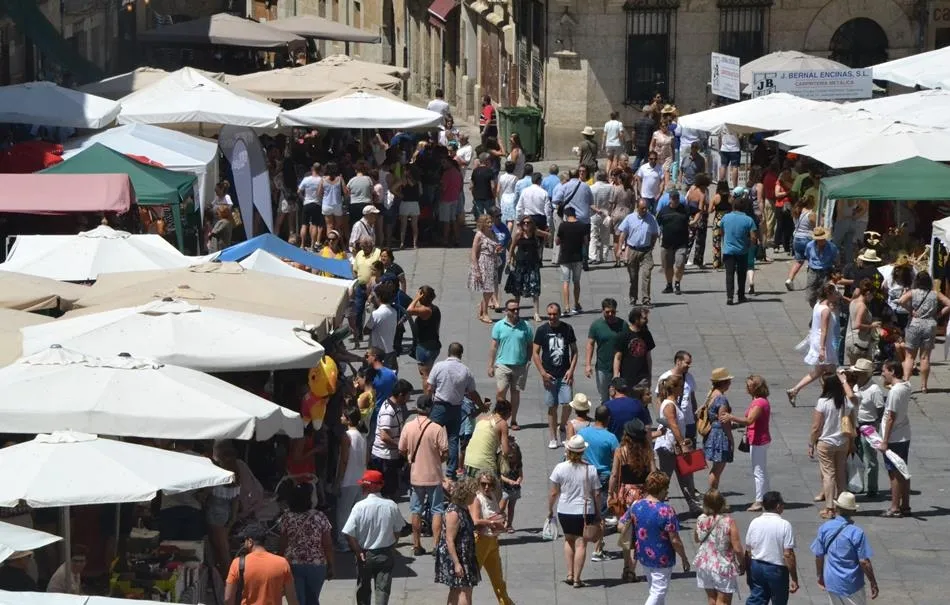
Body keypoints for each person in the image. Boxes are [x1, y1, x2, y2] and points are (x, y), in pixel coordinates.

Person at [620, 471, 690, 604]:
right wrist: (684, 557)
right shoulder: (666, 510)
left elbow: (621, 524)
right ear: (662, 489)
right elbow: (674, 539)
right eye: (666, 489)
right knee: (658, 591)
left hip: (643, 554)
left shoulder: (637, 505)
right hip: (662, 557)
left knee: (654, 589)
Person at [342, 470, 406, 605]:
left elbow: (348, 532)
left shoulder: (359, 507)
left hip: (365, 554)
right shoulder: (391, 505)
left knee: (363, 589)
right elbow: (398, 530)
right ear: (380, 486)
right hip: (385, 552)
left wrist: (358, 551)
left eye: (364, 486)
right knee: (382, 589)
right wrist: (392, 546)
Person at [398, 394, 448, 556]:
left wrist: (410, 457)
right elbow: (445, 452)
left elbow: (401, 449)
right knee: (437, 510)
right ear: (430, 409)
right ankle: (435, 545)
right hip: (434, 475)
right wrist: (437, 460)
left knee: (416, 510)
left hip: (416, 476)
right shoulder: (437, 429)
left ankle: (416, 544)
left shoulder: (408, 427)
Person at [548, 435, 601, 589]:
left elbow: (554, 492)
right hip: (584, 511)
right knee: (581, 544)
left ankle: (570, 574)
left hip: (564, 510)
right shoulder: (590, 469)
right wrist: (598, 512)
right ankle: (577, 579)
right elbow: (596, 493)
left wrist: (550, 510)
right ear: (582, 451)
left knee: (568, 540)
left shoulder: (560, 467)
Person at [810, 492, 879, 604]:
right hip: (852, 583)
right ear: (853, 511)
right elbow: (864, 562)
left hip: (831, 580)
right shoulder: (857, 532)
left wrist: (820, 575)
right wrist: (873, 582)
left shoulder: (824, 528)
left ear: (836, 508)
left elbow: (819, 555)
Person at [428, 343, 485, 479]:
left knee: (430, 436)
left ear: (448, 352)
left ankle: (429, 466)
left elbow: (430, 387)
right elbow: (472, 393)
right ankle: (450, 472)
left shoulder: (439, 366)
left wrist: (428, 403)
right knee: (453, 439)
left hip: (439, 407)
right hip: (455, 409)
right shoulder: (465, 370)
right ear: (461, 354)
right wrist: (481, 406)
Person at [608, 419, 653, 582]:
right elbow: (653, 474)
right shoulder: (647, 452)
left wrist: (610, 493)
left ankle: (626, 566)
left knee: (626, 532)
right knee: (638, 535)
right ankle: (632, 570)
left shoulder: (620, 452)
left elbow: (614, 475)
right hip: (643, 494)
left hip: (625, 494)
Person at [809, 372, 856, 520]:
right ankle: (842, 505)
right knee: (840, 474)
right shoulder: (846, 402)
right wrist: (852, 443)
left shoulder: (823, 402)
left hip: (826, 442)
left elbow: (816, 427)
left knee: (828, 475)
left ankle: (829, 508)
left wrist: (811, 443)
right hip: (843, 442)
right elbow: (850, 424)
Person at [722, 375, 772, 511]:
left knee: (758, 472)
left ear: (756, 387)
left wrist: (731, 417)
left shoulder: (759, 403)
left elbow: (749, 420)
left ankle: (759, 501)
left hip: (758, 440)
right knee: (762, 470)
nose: (747, 388)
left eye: (749, 385)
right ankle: (766, 496)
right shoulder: (758, 400)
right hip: (758, 439)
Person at [532, 302, 579, 449]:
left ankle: (563, 425)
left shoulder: (567, 329)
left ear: (559, 314)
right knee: (552, 406)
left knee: (567, 403)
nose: (552, 317)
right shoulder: (542, 330)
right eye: (550, 314)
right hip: (549, 375)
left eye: (555, 314)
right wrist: (543, 373)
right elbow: (535, 353)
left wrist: (571, 370)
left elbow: (575, 351)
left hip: (564, 373)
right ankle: (552, 437)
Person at [279, 484, 335, 605]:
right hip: (317, 564)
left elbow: (282, 543)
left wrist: (280, 561)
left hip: (292, 563)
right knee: (313, 599)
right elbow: (328, 544)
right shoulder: (320, 516)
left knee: (297, 600)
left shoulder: (287, 517)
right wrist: (330, 565)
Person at [654, 374, 701, 514]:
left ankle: (693, 505)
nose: (683, 389)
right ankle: (656, 505)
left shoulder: (673, 403)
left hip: (675, 446)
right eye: (681, 386)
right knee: (664, 479)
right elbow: (674, 425)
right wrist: (682, 443)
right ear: (674, 388)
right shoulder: (669, 405)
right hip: (669, 447)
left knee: (684, 475)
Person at [787, 283, 841, 407]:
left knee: (818, 372)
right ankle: (829, 398)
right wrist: (822, 349)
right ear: (829, 294)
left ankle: (794, 390)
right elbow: (824, 330)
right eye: (835, 293)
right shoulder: (826, 310)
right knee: (831, 372)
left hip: (817, 340)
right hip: (824, 343)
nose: (837, 296)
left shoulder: (818, 304)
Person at [578, 405, 619, 561]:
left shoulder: (582, 433)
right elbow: (616, 462)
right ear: (608, 419)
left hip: (585, 473)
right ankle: (598, 549)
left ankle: (582, 541)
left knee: (585, 508)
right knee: (600, 514)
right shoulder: (611, 438)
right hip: (603, 476)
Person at [899, 271, 950, 393]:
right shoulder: (935, 293)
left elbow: (901, 301)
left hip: (915, 323)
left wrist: (910, 310)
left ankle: (905, 382)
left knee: (910, 356)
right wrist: (938, 314)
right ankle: (924, 386)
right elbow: (949, 303)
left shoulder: (913, 292)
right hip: (930, 324)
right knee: (925, 357)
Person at [744, 491, 799, 605]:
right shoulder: (784, 525)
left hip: (757, 566)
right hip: (776, 569)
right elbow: (788, 554)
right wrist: (794, 578)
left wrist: (748, 571)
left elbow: (748, 550)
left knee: (757, 599)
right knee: (779, 600)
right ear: (778, 506)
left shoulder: (755, 522)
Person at [468, 472, 514, 605]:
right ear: (479, 484)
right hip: (481, 542)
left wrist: (502, 519)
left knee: (498, 580)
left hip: (492, 541)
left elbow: (496, 513)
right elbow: (475, 521)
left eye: (490, 484)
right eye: (483, 484)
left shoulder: (492, 496)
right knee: (471, 579)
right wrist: (492, 523)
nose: (487, 487)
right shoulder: (477, 499)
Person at [224, 525, 298, 605]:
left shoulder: (237, 563)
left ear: (250, 542)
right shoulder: (282, 563)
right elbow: (292, 599)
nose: (243, 544)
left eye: (244, 541)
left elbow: (228, 598)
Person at [435, 479, 481, 605]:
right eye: (473, 493)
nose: (475, 496)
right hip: (458, 557)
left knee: (456, 589)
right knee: (465, 591)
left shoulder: (463, 508)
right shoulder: (454, 512)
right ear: (465, 494)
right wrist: (457, 564)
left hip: (465, 554)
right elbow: (449, 540)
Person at [489, 299, 533, 429]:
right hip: (503, 364)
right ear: (506, 311)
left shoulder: (526, 326)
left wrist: (528, 360)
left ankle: (513, 420)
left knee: (515, 393)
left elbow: (530, 345)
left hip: (520, 365)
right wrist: (490, 365)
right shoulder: (499, 326)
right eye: (513, 309)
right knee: (501, 391)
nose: (516, 311)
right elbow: (493, 347)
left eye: (517, 309)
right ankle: (499, 417)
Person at [693, 490, 743, 604]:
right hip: (722, 565)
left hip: (704, 563)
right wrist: (743, 563)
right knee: (723, 601)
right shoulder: (728, 521)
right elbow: (737, 548)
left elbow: (697, 538)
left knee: (712, 600)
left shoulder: (701, 519)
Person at [846, 359, 884, 498]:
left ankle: (872, 488)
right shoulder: (855, 386)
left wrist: (877, 427)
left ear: (867, 374)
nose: (857, 375)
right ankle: (858, 485)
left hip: (869, 425)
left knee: (870, 457)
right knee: (857, 456)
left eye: (859, 373)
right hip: (856, 424)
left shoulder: (874, 390)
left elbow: (880, 409)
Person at [879, 360, 912, 518]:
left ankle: (894, 507)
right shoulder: (906, 386)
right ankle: (905, 505)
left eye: (884, 371)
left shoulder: (894, 392)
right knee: (903, 470)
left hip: (894, 437)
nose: (882, 374)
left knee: (894, 473)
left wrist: (885, 440)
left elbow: (891, 417)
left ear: (892, 371)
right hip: (904, 433)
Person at [370, 379, 412, 498]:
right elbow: (384, 436)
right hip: (384, 457)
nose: (409, 398)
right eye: (408, 395)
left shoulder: (397, 407)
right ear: (400, 395)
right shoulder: (388, 411)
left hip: (390, 456)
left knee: (392, 488)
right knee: (386, 491)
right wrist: (400, 446)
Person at [585, 298, 629, 403]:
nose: (610, 314)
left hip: (620, 367)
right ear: (602, 310)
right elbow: (590, 344)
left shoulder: (623, 325)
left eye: (612, 312)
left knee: (619, 395)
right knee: (604, 396)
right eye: (607, 312)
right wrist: (588, 364)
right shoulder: (596, 325)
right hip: (602, 367)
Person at [616, 199, 659, 307]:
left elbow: (655, 233)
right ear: (637, 208)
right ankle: (633, 298)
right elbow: (623, 233)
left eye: (646, 208)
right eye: (642, 208)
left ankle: (646, 299)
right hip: (633, 250)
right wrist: (620, 248)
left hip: (646, 251)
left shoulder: (651, 219)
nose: (645, 210)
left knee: (646, 275)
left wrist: (652, 245)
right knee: (633, 276)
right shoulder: (630, 218)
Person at [335, 404, 367, 551]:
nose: (341, 417)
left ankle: (343, 542)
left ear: (348, 420)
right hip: (360, 479)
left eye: (343, 416)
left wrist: (338, 480)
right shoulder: (362, 437)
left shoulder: (346, 436)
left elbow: (344, 460)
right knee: (356, 513)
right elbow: (366, 460)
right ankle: (357, 540)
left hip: (348, 480)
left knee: (343, 512)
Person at [505, 216, 548, 322]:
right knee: (517, 290)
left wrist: (541, 244)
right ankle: (516, 312)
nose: (526, 224)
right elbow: (512, 247)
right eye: (524, 223)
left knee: (535, 289)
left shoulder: (535, 232)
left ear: (532, 224)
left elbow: (548, 235)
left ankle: (536, 313)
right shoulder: (518, 234)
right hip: (520, 264)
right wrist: (510, 259)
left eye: (528, 223)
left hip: (533, 264)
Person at [656, 190, 697, 295]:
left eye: (677, 198)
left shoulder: (685, 208)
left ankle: (677, 283)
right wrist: (658, 234)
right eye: (673, 198)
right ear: (670, 199)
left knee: (679, 263)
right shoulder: (664, 211)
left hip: (681, 243)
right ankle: (669, 284)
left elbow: (699, 211)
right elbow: (657, 222)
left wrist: (694, 221)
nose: (675, 200)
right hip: (667, 243)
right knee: (667, 266)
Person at [720, 197, 757, 306]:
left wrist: (725, 242)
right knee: (741, 274)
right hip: (742, 251)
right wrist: (750, 245)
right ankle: (741, 295)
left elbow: (721, 231)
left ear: (733, 206)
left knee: (729, 274)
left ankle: (730, 297)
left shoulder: (725, 217)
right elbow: (753, 237)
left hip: (728, 251)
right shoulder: (749, 220)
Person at [703, 368, 735, 492]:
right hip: (719, 435)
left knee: (715, 468)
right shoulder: (721, 398)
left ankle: (712, 494)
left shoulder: (711, 394)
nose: (730, 384)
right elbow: (723, 420)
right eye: (728, 381)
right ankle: (712, 495)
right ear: (724, 382)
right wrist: (731, 439)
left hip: (712, 433)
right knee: (717, 469)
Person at [463, 399, 512, 478]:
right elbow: (506, 451)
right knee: (490, 488)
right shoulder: (502, 423)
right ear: (508, 413)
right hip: (484, 463)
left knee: (472, 488)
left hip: (468, 460)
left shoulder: (482, 418)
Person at [654, 350, 696, 441]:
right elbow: (659, 400)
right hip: (673, 421)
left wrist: (695, 417)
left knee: (691, 450)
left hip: (689, 421)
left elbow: (692, 399)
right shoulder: (665, 377)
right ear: (678, 362)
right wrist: (664, 419)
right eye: (687, 363)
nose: (689, 366)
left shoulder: (689, 377)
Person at [408, 286, 442, 393]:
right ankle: (432, 394)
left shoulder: (425, 311)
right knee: (429, 373)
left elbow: (409, 310)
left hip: (424, 347)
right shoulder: (434, 309)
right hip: (434, 345)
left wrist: (416, 298)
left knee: (425, 376)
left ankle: (427, 400)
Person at [469, 214, 502, 324]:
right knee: (488, 289)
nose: (490, 224)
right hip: (484, 263)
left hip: (493, 262)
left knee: (491, 289)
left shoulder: (492, 233)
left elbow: (495, 245)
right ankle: (485, 314)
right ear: (482, 224)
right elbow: (473, 253)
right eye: (487, 222)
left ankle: (482, 310)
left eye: (491, 222)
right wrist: (476, 270)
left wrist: (497, 249)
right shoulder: (479, 235)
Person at [614, 306, 655, 390]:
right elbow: (618, 357)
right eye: (644, 318)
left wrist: (649, 376)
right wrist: (615, 376)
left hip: (642, 379)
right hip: (627, 378)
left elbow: (648, 357)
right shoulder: (623, 335)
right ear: (636, 319)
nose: (647, 320)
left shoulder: (646, 334)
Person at [556, 206, 588, 314]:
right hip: (577, 257)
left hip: (564, 257)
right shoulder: (581, 226)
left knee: (565, 282)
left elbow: (557, 241)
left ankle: (566, 306)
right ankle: (576, 303)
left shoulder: (563, 226)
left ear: (566, 215)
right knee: (576, 282)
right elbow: (586, 241)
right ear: (575, 214)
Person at [845, 279, 880, 365]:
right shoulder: (862, 306)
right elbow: (857, 324)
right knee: (862, 371)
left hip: (850, 340)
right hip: (859, 342)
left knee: (853, 371)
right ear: (868, 294)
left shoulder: (853, 302)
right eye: (872, 295)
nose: (872, 297)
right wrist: (872, 325)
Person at [804, 227, 840, 308]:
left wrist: (837, 272)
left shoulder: (832, 247)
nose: (821, 241)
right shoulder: (809, 245)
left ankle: (824, 310)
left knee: (826, 293)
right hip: (813, 271)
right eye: (819, 239)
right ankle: (816, 310)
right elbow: (807, 256)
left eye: (822, 239)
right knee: (811, 295)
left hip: (826, 272)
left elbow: (837, 260)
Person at [317, 162, 348, 243]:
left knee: (329, 226)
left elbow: (319, 193)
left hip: (327, 204)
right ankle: (340, 244)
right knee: (338, 227)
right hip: (337, 204)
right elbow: (345, 192)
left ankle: (330, 244)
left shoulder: (323, 179)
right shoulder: (339, 179)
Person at [686, 172, 711, 267]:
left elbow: (687, 200)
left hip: (690, 216)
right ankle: (698, 260)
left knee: (689, 239)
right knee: (700, 240)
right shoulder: (703, 193)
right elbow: (701, 209)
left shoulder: (691, 189)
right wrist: (706, 211)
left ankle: (684, 259)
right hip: (700, 218)